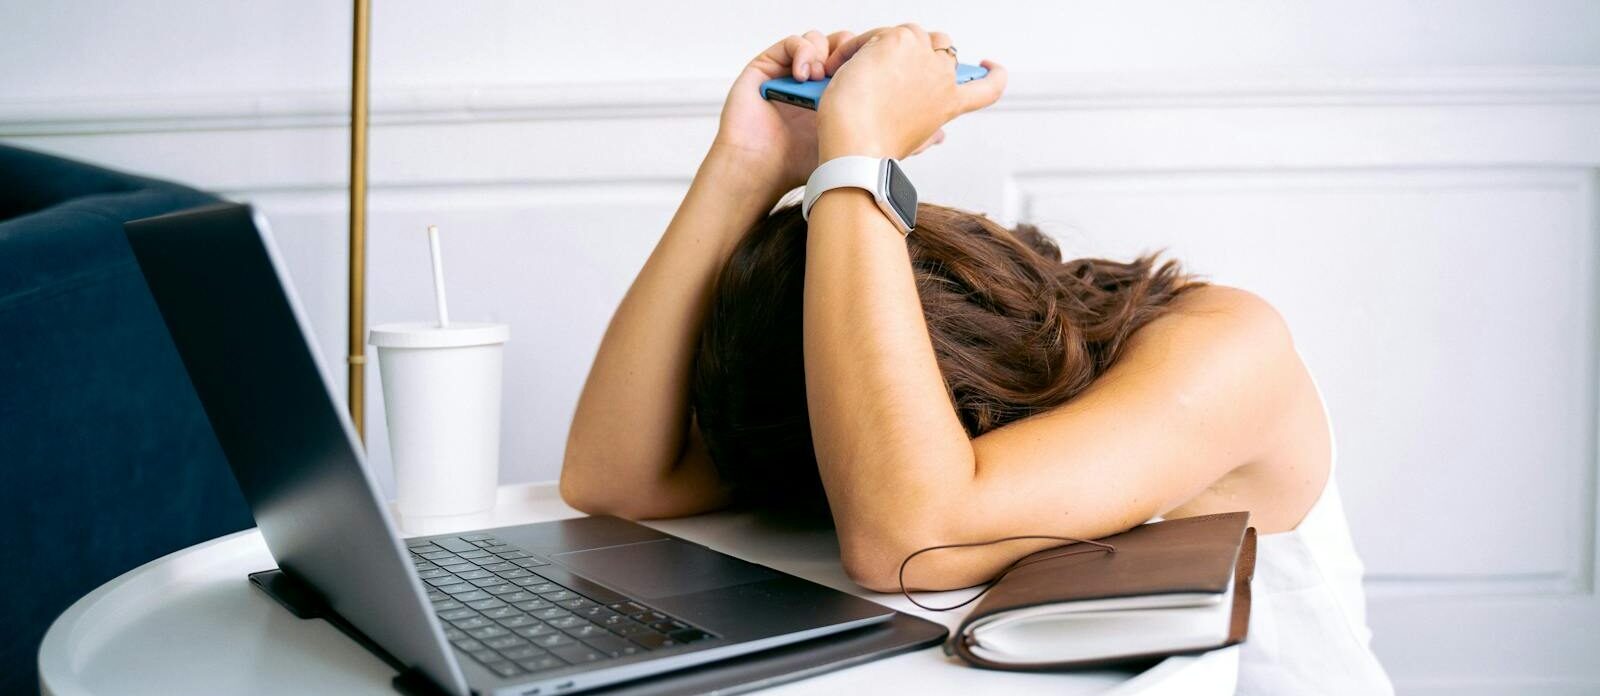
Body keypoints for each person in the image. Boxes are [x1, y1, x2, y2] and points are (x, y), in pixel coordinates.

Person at [560, 25, 1393, 695]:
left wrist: (864, 148)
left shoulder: (1225, 350)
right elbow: (616, 479)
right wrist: (751, 163)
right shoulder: (875, 427)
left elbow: (905, 538)